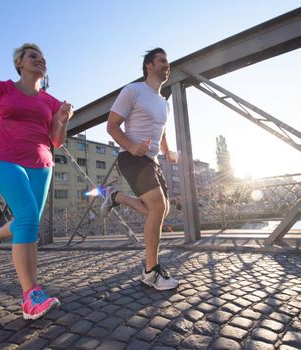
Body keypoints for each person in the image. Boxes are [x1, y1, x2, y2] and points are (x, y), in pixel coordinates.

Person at [0, 43, 73, 320]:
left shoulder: (50, 101)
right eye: (33, 56)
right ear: (19, 63)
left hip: (42, 164)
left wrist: (61, 119)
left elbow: (56, 142)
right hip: (6, 160)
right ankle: (31, 296)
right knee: (26, 218)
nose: (40, 60)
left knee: (27, 223)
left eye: (43, 58)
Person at [102, 47, 179, 290]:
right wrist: (131, 145)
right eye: (162, 61)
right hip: (131, 157)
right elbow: (112, 125)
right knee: (157, 206)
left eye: (168, 62)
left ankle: (116, 197)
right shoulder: (133, 90)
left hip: (152, 161)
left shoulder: (165, 104)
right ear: (149, 65)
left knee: (159, 212)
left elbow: (162, 130)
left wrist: (167, 151)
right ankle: (150, 271)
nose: (167, 65)